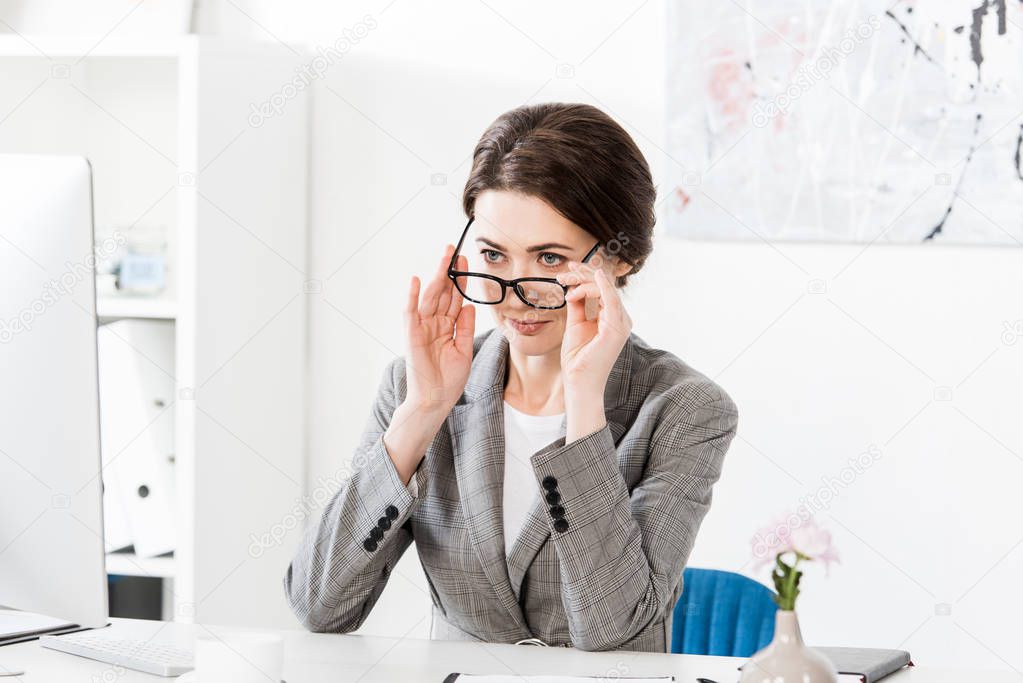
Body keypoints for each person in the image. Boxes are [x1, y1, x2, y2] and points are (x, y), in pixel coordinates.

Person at [283, 102, 739, 652]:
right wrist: (424, 410)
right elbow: (319, 606)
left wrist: (585, 404)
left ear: (621, 259)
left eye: (549, 259)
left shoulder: (685, 408)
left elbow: (612, 629)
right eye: (495, 256)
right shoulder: (416, 387)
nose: (516, 293)